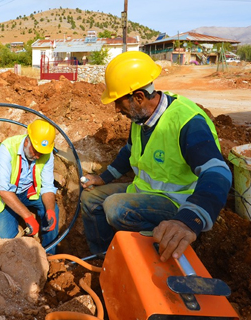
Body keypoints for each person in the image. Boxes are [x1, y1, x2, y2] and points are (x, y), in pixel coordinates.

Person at [80, 51, 232, 262]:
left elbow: (217, 171)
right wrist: (102, 178)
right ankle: (104, 257)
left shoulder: (187, 122)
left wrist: (189, 220)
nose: (116, 109)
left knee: (116, 208)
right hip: (145, 192)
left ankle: (147, 256)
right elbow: (130, 151)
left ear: (139, 97)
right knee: (90, 198)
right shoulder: (141, 118)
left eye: (118, 101)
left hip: (178, 202)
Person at [0, 119, 59, 251]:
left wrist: (50, 210)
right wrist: (28, 216)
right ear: (27, 141)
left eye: (41, 153)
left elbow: (47, 187)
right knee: (4, 240)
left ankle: (50, 254)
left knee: (53, 211)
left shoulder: (46, 153)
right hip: (10, 196)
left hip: (31, 193)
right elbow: (3, 190)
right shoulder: (8, 148)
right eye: (35, 151)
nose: (37, 156)